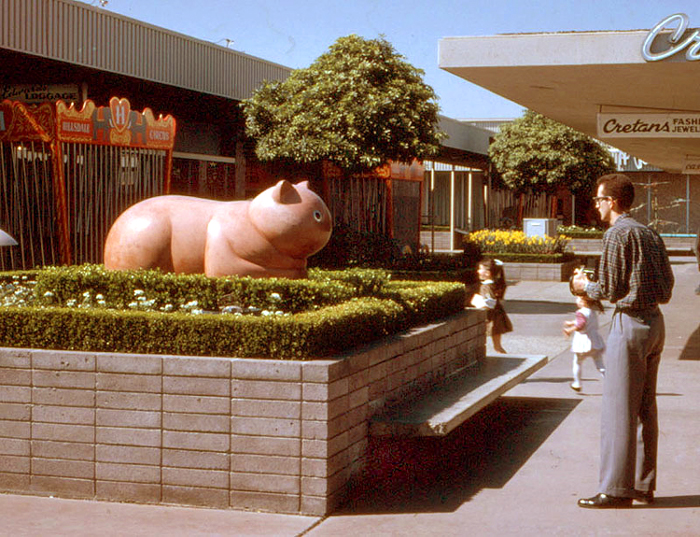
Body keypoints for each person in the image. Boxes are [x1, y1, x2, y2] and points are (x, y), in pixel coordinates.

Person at [572, 173, 674, 509]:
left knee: (619, 409)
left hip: (629, 325)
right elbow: (667, 286)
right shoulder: (649, 233)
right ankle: (643, 486)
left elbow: (612, 290)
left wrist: (583, 286)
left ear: (612, 201)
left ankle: (615, 490)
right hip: (655, 324)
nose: (596, 205)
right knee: (646, 408)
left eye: (599, 199)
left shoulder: (617, 234)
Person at [563, 290, 605, 392]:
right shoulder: (592, 312)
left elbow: (581, 325)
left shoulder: (580, 312)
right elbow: (584, 321)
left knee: (577, 362)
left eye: (578, 298)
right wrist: (571, 322)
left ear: (583, 302)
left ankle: (577, 383)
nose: (576, 300)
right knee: (599, 364)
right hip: (595, 341)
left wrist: (570, 330)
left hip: (583, 342)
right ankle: (610, 381)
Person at [471, 257, 512, 353]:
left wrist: (478, 304)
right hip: (497, 315)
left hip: (491, 317)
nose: (478, 271)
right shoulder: (494, 284)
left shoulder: (486, 286)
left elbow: (489, 302)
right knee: (497, 345)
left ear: (487, 273)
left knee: (496, 345)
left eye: (480, 269)